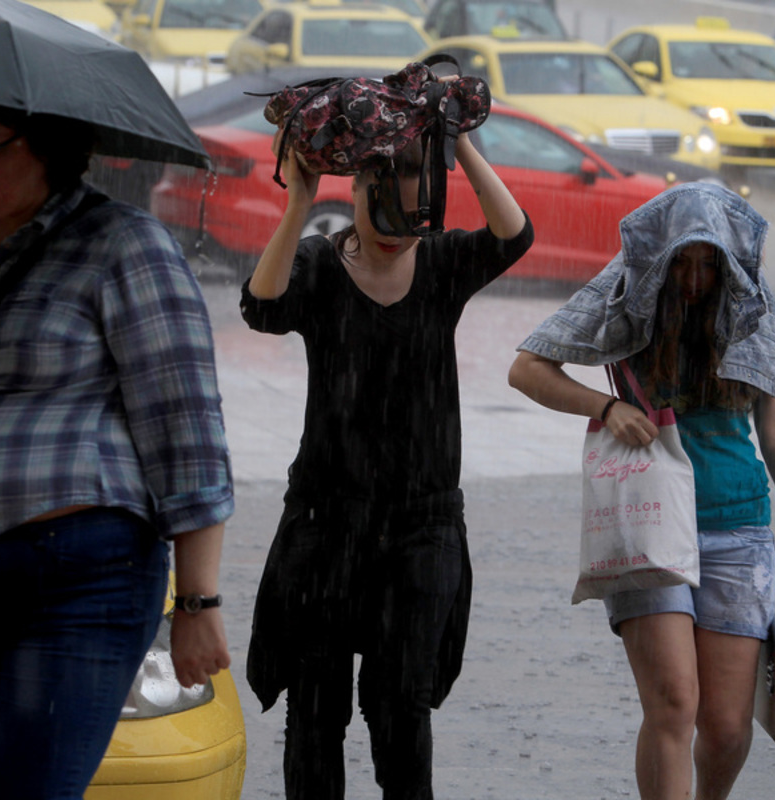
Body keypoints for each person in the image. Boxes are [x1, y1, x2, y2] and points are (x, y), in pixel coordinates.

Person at [0, 96, 234, 800]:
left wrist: (197, 600)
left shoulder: (124, 244)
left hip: (72, 581)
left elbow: (185, 427)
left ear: (50, 146)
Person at [507, 182, 775, 800]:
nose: (693, 276)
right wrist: (604, 405)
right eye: (681, 261)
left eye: (708, 263)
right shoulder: (624, 289)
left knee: (728, 724)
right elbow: (528, 368)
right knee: (675, 703)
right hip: (649, 521)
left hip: (737, 522)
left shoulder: (752, 300)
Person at [241, 128, 532, 799]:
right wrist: (296, 206)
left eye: (414, 215)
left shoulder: (442, 265)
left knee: (402, 708)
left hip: (421, 525)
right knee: (315, 714)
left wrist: (458, 145)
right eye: (384, 216)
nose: (398, 234)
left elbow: (514, 235)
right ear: (358, 192)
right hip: (325, 521)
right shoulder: (318, 266)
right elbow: (260, 307)